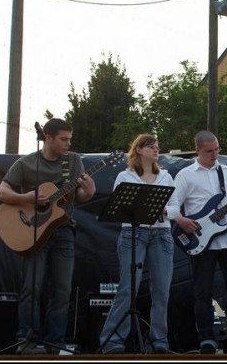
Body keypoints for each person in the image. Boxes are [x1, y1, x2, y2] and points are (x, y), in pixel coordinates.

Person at [0, 118, 96, 353]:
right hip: (33, 233)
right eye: (63, 139)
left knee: (62, 290)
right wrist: (28, 198)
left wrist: (89, 192)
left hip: (63, 231)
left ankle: (54, 343)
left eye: (70, 139)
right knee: (33, 287)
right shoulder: (27, 163)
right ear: (47, 138)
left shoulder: (73, 162)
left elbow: (79, 196)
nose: (68, 144)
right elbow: (1, 191)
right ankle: (27, 340)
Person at [169, 130, 227, 354]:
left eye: (217, 150)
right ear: (197, 150)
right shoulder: (186, 175)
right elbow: (171, 206)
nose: (214, 154)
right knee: (202, 292)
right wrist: (181, 220)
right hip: (200, 241)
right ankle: (206, 339)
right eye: (209, 151)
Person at [99, 134, 178, 354]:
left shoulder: (166, 177)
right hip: (132, 234)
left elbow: (176, 208)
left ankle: (159, 342)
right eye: (151, 147)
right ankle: (112, 341)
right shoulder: (125, 176)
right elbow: (119, 207)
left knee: (162, 289)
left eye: (157, 147)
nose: (156, 150)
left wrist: (163, 209)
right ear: (139, 150)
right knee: (128, 287)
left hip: (161, 234)